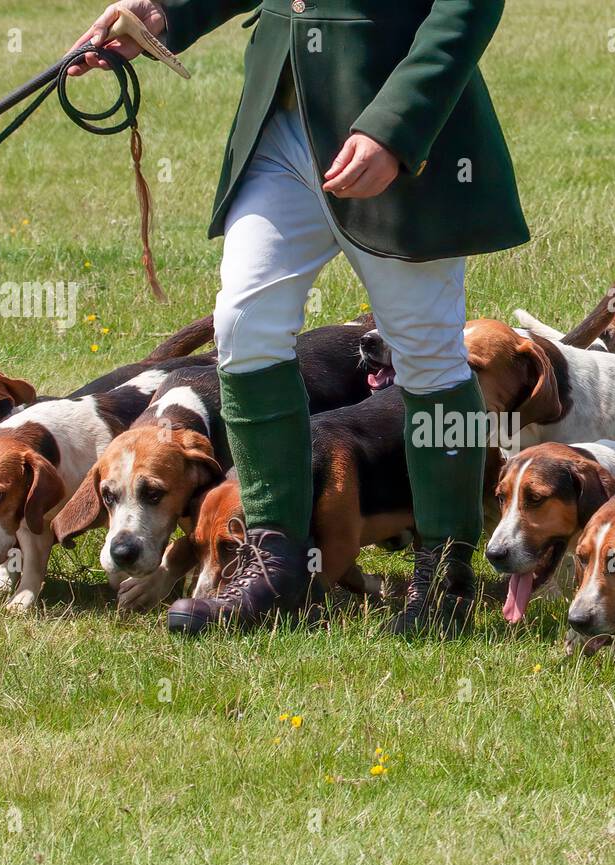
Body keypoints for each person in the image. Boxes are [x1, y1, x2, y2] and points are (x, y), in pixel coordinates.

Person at [70, 1, 528, 635]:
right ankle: (274, 570)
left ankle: (443, 577)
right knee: (243, 324)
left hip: (387, 120)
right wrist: (164, 13)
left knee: (424, 351)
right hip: (279, 120)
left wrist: (396, 126)